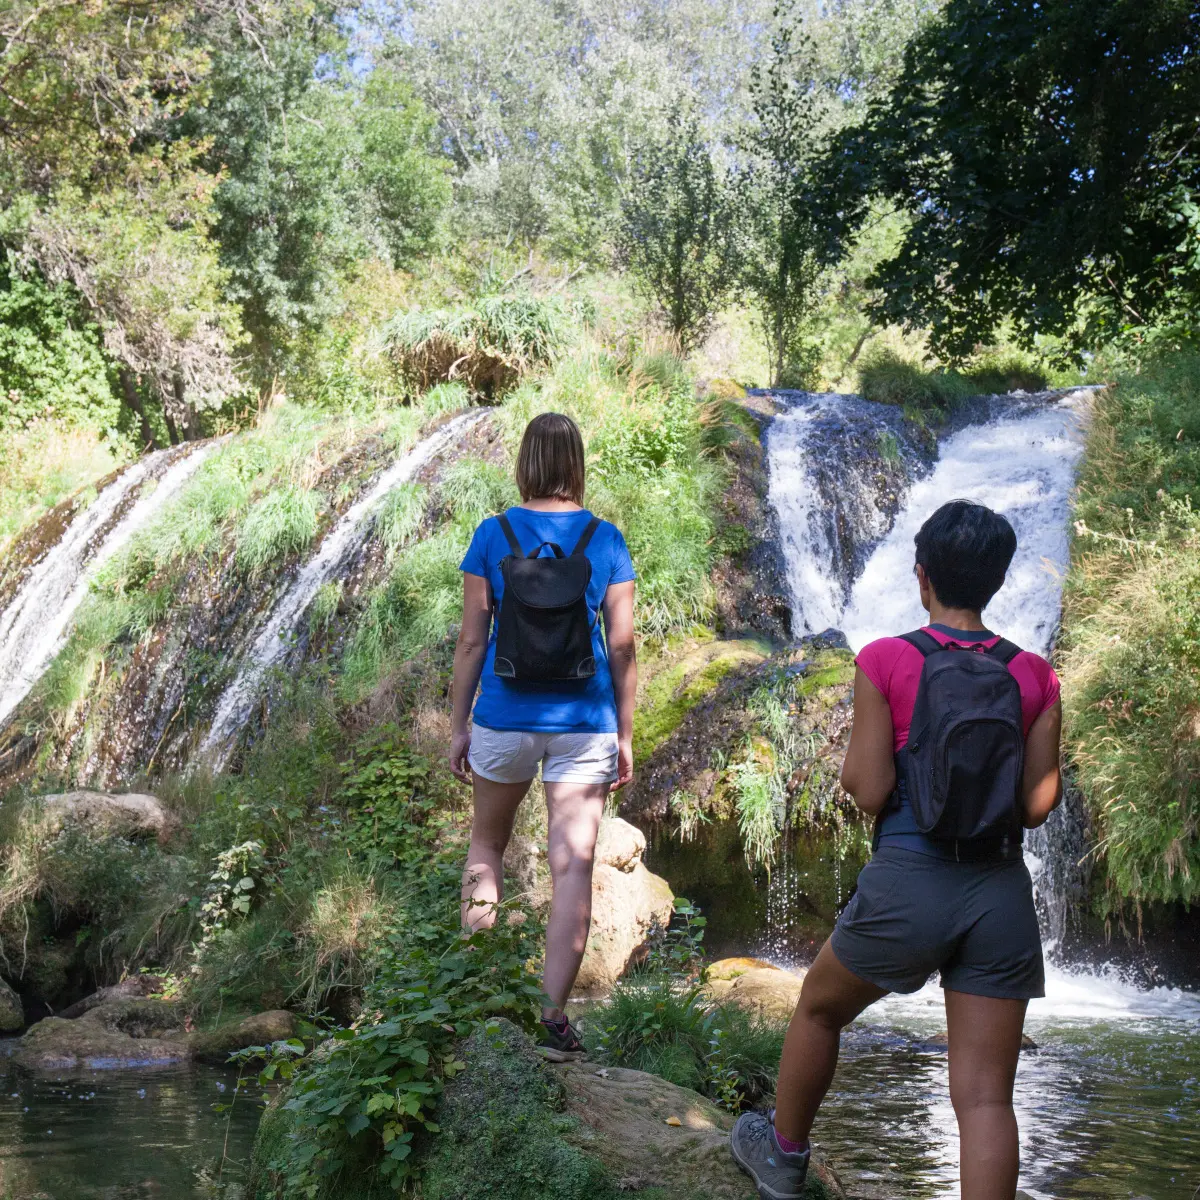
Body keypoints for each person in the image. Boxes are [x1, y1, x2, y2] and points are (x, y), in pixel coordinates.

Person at [730, 500, 1063, 1200]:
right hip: (1001, 893)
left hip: (911, 878)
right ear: (999, 582)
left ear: (922, 578)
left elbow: (870, 788)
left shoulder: (886, 659)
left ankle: (783, 1158)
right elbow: (1037, 807)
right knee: (985, 1100)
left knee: (820, 1009)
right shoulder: (1035, 676)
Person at [449, 411, 636, 1062]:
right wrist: (626, 734)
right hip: (583, 725)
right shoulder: (605, 540)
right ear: (576, 464)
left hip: (503, 716)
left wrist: (457, 726)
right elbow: (622, 649)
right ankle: (552, 1014)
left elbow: (473, 641)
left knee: (486, 846)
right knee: (573, 868)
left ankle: (483, 1000)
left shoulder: (492, 535)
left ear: (525, 464)